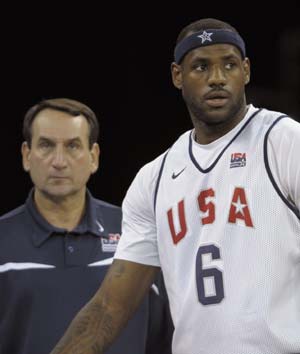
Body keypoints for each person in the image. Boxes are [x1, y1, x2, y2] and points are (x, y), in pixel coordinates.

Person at [50, 18, 300, 354]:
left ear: (246, 70)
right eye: (201, 66)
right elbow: (110, 307)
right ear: (177, 76)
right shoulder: (154, 179)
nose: (217, 78)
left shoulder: (283, 142)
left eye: (229, 64)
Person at [0, 98, 173, 354]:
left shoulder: (137, 233)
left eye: (73, 146)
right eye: (46, 145)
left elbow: (167, 338)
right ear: (26, 155)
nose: (59, 161)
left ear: (94, 157)